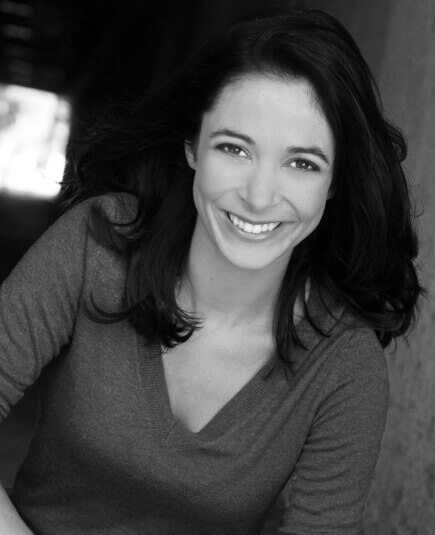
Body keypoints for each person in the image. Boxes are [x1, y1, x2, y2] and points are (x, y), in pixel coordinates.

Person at [0, 8, 424, 535]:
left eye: (302, 163)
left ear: (335, 182)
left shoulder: (344, 363)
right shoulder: (98, 244)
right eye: (234, 148)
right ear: (192, 146)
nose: (259, 196)